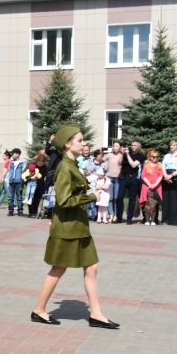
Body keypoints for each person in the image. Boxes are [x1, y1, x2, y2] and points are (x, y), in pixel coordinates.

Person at [31, 124, 118, 329]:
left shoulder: (73, 164)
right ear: (68, 144)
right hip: (67, 227)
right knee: (58, 268)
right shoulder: (64, 167)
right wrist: (91, 196)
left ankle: (96, 314)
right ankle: (39, 310)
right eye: (79, 140)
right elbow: (64, 200)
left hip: (78, 226)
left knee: (92, 267)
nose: (83, 143)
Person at [116, 140, 144, 224]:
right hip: (124, 178)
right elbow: (119, 162)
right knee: (119, 198)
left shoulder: (140, 156)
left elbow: (133, 165)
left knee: (132, 199)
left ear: (139, 147)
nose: (133, 146)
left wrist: (127, 155)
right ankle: (119, 217)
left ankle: (129, 218)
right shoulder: (125, 153)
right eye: (132, 145)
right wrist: (122, 153)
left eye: (135, 145)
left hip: (134, 179)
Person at [161, 141, 177, 226]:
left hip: (176, 176)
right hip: (166, 177)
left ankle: (173, 220)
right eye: (170, 145)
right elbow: (163, 166)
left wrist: (171, 176)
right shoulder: (167, 156)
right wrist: (165, 176)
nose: (171, 146)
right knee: (166, 198)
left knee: (174, 199)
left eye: (173, 145)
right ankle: (165, 219)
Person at [139, 150, 164, 226]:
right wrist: (149, 184)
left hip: (157, 187)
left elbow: (161, 176)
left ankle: (154, 220)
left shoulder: (159, 165)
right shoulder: (146, 165)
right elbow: (143, 176)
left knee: (155, 204)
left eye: (156, 157)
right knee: (147, 204)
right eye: (153, 157)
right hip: (146, 186)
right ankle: (146, 219)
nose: (155, 158)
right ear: (150, 157)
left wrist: (155, 184)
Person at [103, 141, 124, 222]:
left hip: (118, 178)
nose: (115, 147)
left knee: (116, 198)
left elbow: (121, 162)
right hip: (109, 178)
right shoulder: (109, 155)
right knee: (110, 198)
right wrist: (101, 152)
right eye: (114, 146)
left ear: (120, 147)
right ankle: (111, 215)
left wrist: (123, 154)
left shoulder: (121, 155)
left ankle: (116, 215)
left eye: (117, 146)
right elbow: (102, 160)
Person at [5, 149, 25, 216]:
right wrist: (8, 181)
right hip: (11, 181)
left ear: (17, 154)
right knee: (10, 197)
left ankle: (20, 210)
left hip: (19, 181)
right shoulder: (11, 162)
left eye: (13, 153)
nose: (12, 155)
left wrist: (22, 181)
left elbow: (24, 172)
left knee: (19, 197)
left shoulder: (22, 162)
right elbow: (8, 172)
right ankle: (11, 210)